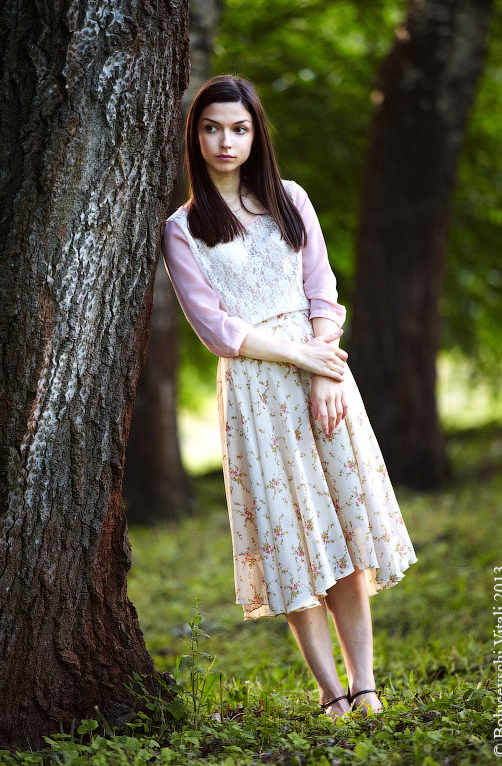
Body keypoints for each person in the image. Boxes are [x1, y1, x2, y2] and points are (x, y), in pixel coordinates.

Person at [162, 74, 417, 720]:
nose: (226, 141)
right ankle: (329, 691)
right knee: (290, 539)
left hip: (322, 380)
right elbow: (218, 329)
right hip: (255, 391)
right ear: (196, 137)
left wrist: (325, 370)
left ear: (256, 135)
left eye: (239, 129)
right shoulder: (184, 228)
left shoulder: (290, 200)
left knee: (343, 527)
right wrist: (301, 355)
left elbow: (323, 295)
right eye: (213, 128)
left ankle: (364, 684)